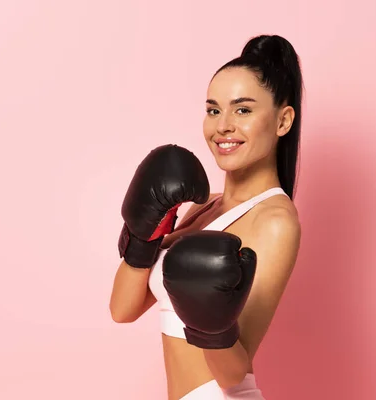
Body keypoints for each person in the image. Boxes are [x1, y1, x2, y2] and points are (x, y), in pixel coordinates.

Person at [110, 34, 304, 400]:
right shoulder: (202, 207)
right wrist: (141, 240)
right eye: (214, 110)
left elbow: (232, 374)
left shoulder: (275, 221)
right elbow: (122, 310)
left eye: (243, 110)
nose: (223, 126)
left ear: (283, 121)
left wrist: (213, 326)